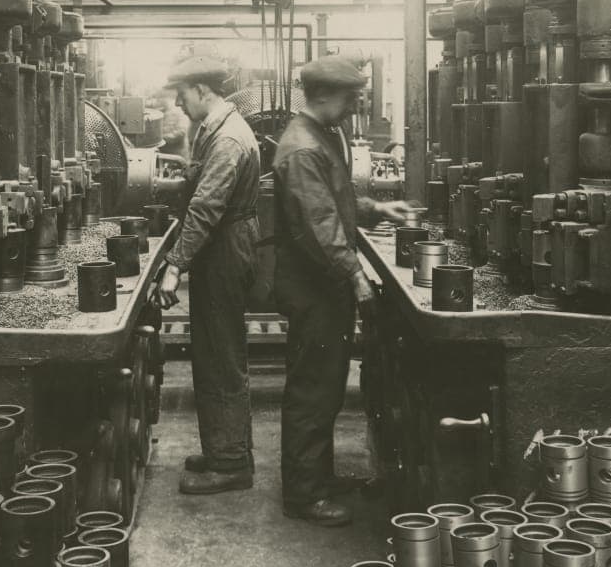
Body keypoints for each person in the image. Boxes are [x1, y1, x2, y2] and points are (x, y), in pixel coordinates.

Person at [272, 55, 417, 527]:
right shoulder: (300, 148)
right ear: (324, 95)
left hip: (323, 284)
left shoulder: (321, 136)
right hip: (313, 287)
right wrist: (356, 278)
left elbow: (338, 201)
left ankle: (317, 476)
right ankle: (304, 494)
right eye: (352, 97)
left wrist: (378, 207)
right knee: (314, 387)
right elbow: (320, 227)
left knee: (327, 384)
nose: (357, 106)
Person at [153, 56, 262, 495]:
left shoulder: (228, 140)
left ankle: (232, 463)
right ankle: (226, 449)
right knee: (216, 350)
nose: (177, 102)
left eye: (182, 93)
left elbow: (206, 208)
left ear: (202, 90)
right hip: (221, 245)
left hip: (224, 249)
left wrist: (174, 266)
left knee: (221, 354)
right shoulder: (213, 131)